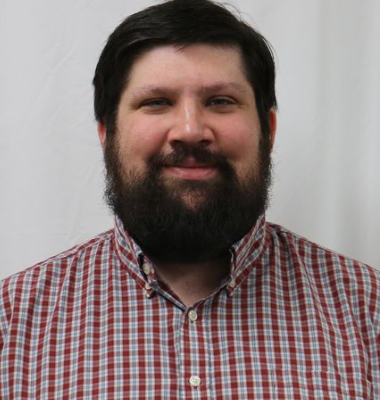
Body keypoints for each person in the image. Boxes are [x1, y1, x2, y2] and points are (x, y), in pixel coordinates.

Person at [0, 0, 379, 398]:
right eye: (156, 102)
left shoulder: (368, 313)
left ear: (268, 129)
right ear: (107, 133)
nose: (190, 130)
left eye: (220, 101)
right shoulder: (12, 323)